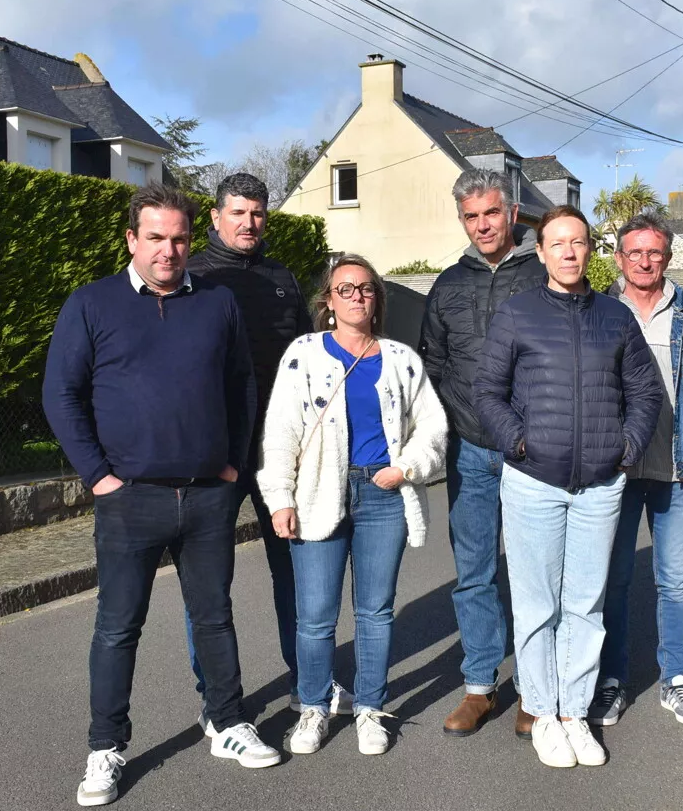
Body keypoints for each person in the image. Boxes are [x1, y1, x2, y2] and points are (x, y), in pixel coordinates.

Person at [43, 184, 280, 808]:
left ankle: (226, 723)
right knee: (118, 628)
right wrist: (99, 477)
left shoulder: (217, 303)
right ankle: (106, 747)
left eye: (178, 238)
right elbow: (61, 396)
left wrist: (232, 465)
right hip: (131, 500)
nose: (169, 250)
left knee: (215, 617)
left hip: (207, 497)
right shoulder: (91, 304)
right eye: (156, 237)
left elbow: (242, 386)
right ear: (132, 239)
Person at [475, 205, 661, 768]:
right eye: (558, 244)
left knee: (585, 605)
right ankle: (542, 711)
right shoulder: (517, 314)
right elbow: (487, 392)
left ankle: (575, 712)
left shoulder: (616, 317)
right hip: (533, 482)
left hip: (599, 487)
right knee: (537, 606)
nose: (570, 253)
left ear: (589, 248)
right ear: (541, 252)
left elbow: (645, 392)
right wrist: (521, 442)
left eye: (578, 242)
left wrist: (625, 448)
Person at [257, 254, 448, 756]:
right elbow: (280, 430)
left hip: (381, 493)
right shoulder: (303, 354)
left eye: (366, 289)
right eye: (346, 289)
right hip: (319, 489)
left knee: (375, 611)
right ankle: (314, 707)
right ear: (328, 301)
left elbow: (432, 426)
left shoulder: (402, 359)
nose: (357, 296)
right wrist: (279, 497)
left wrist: (405, 468)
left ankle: (369, 707)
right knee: (316, 615)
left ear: (377, 299)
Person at [183, 172, 353, 717]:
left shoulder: (281, 275)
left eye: (257, 213)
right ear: (215, 217)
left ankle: (311, 681)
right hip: (217, 449)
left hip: (280, 448)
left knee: (296, 567)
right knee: (209, 580)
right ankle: (215, 698)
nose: (249, 223)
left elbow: (307, 358)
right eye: (237, 213)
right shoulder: (192, 277)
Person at [420, 168, 546, 739]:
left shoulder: (544, 275)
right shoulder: (446, 285)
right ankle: (479, 686)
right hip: (470, 451)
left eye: (490, 214)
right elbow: (435, 367)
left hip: (532, 451)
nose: (482, 226)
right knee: (474, 574)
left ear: (511, 214)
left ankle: (534, 688)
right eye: (471, 217)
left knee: (534, 574)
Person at [593, 213, 683, 728]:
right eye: (635, 252)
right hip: (617, 473)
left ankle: (675, 679)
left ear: (668, 258)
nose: (645, 261)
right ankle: (612, 680)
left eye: (654, 253)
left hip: (681, 471)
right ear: (619, 257)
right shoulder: (601, 311)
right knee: (616, 579)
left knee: (675, 581)